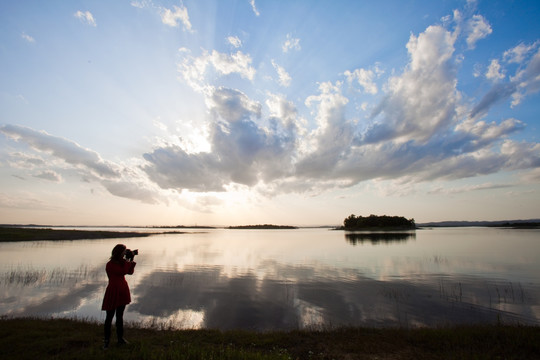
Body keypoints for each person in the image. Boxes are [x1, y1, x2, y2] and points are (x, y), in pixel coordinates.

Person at [101, 244, 136, 349]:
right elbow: (123, 271)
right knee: (109, 318)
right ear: (119, 252)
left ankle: (120, 339)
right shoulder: (110, 264)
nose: (125, 253)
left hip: (122, 291)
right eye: (124, 251)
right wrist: (127, 261)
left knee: (119, 317)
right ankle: (106, 341)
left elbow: (130, 272)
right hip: (113, 291)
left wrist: (131, 258)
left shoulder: (123, 262)